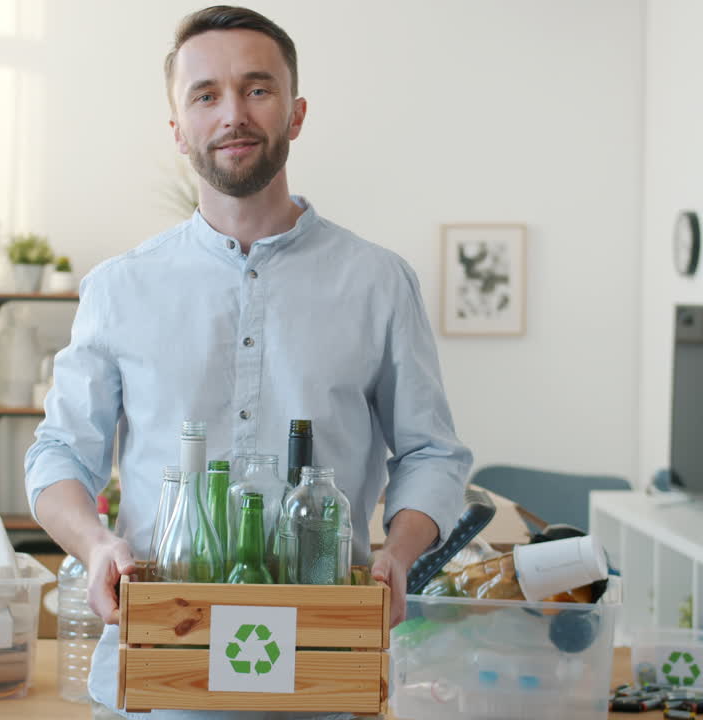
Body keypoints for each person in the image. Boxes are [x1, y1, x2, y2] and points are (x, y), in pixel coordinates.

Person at [24, 6, 472, 718]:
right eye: (205, 94)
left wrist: (399, 551)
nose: (233, 112)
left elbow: (432, 453)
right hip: (157, 674)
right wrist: (97, 542)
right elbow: (55, 455)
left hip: (327, 673)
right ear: (179, 129)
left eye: (257, 89)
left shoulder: (379, 283)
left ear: (295, 114)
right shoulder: (119, 289)